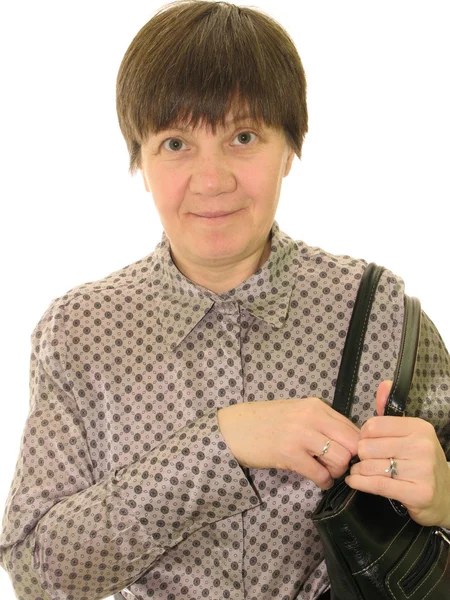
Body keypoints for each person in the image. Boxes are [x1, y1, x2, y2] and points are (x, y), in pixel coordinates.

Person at [1, 1, 449, 599]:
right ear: (140, 159)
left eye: (243, 137)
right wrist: (223, 444)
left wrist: (445, 495)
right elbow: (35, 569)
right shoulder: (79, 330)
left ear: (291, 147)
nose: (212, 181)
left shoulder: (377, 310)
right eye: (176, 143)